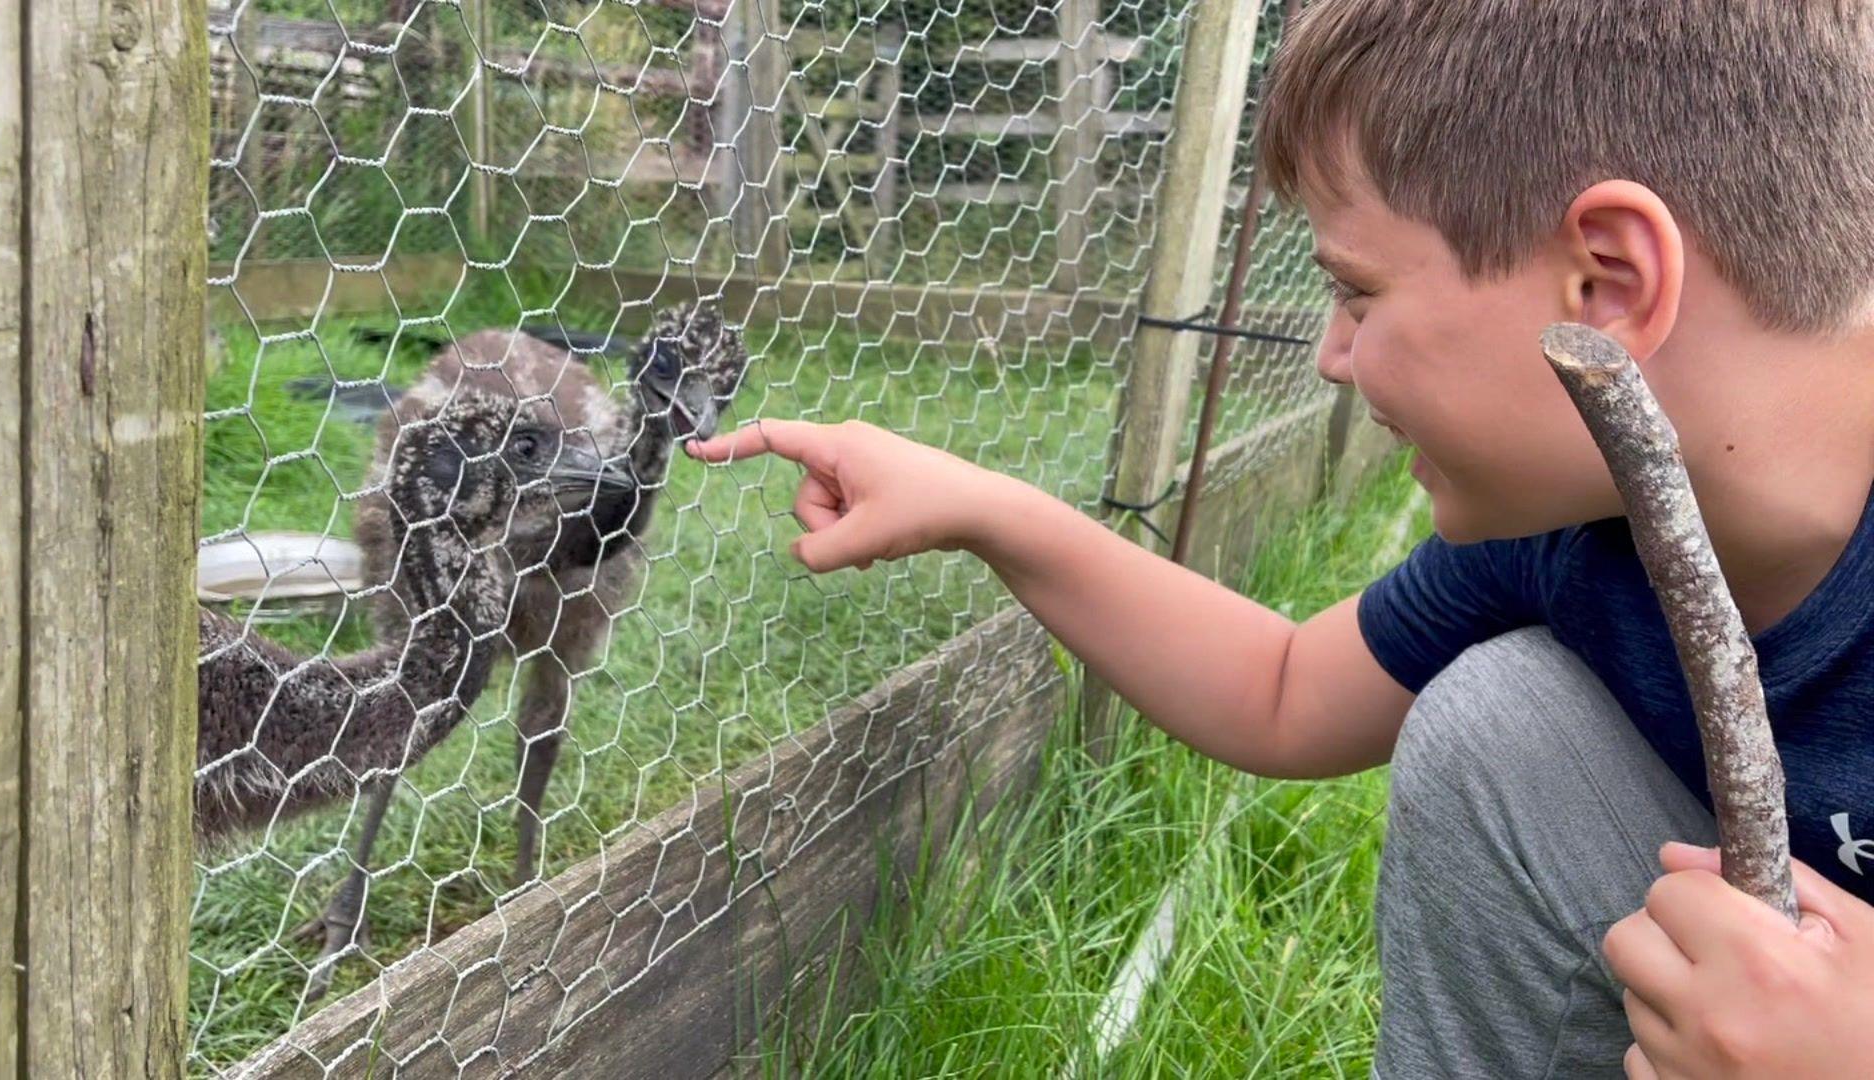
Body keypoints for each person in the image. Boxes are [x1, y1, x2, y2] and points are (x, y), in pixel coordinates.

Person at [689, 2, 1874, 1074]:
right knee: (1499, 720)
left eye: (1359, 294)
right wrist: (983, 507)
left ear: (1606, 285)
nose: (1331, 354)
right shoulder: (1575, 524)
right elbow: (1284, 690)